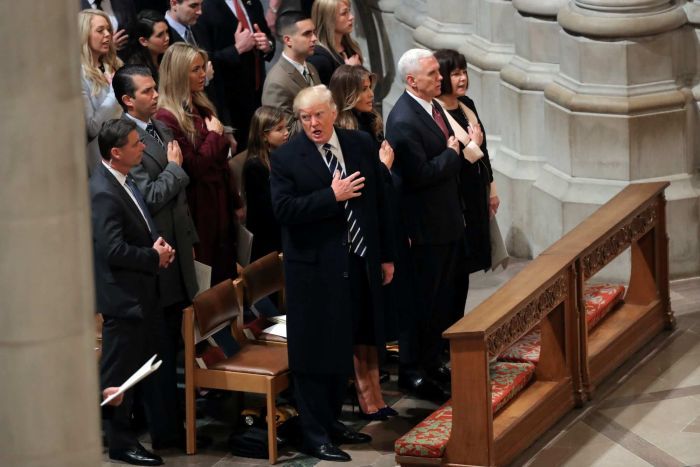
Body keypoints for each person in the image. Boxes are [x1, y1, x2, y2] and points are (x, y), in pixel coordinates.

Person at [270, 85, 394, 461]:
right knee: (314, 352)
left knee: (347, 341)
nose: (312, 124)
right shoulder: (287, 157)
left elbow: (380, 201)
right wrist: (331, 196)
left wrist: (385, 255)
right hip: (313, 272)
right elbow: (284, 210)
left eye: (318, 115)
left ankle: (332, 421)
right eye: (305, 118)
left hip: (356, 262)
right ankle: (314, 434)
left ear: (334, 112)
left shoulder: (358, 144)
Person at [112, 64, 201, 449]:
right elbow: (146, 199)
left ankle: (179, 421)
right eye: (146, 91)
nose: (155, 95)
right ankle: (166, 433)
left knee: (176, 345)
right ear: (127, 99)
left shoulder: (160, 128)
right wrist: (177, 170)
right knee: (160, 351)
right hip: (155, 261)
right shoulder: (123, 137)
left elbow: (177, 200)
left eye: (154, 89)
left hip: (178, 254)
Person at [91, 118, 175, 466]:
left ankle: (134, 433)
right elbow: (112, 250)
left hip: (141, 292)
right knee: (118, 377)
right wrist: (152, 256)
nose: (142, 146)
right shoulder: (103, 191)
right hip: (123, 297)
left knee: (136, 370)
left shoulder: (120, 179)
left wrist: (155, 244)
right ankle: (121, 444)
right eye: (135, 143)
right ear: (115, 152)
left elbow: (137, 224)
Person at [385, 48, 467, 402]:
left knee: (443, 299)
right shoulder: (403, 120)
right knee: (422, 302)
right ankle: (413, 371)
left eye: (439, 72)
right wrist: (451, 153)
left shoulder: (433, 107)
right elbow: (419, 175)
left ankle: (433, 361)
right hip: (423, 228)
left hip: (446, 221)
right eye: (433, 74)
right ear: (411, 81)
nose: (441, 78)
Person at [329, 65, 398, 420]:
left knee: (372, 318)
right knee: (357, 321)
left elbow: (380, 197)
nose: (371, 95)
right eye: (364, 89)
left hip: (369, 239)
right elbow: (364, 189)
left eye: (370, 87)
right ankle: (365, 392)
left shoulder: (367, 128)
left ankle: (376, 390)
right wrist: (384, 168)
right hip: (346, 243)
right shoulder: (343, 135)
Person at [155, 43, 243, 288]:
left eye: (203, 68)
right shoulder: (166, 117)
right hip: (199, 207)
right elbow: (192, 168)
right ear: (179, 73)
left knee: (228, 268)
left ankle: (233, 324)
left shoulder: (201, 103)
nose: (203, 74)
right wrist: (215, 136)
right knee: (210, 277)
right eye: (196, 69)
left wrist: (235, 201)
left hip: (219, 199)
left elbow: (219, 162)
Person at [434, 48, 500, 283]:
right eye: (455, 74)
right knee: (460, 266)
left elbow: (484, 149)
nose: (462, 78)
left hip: (477, 189)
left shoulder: (466, 104)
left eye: (464, 72)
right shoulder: (435, 113)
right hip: (457, 196)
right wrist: (473, 146)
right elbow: (451, 158)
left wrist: (491, 189)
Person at [194, 0, 275, 150]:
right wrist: (236, 49)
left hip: (258, 92)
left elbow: (268, 36)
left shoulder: (252, 3)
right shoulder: (204, 9)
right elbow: (206, 60)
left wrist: (268, 44)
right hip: (230, 101)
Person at [79, 9, 124, 175]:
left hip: (130, 147)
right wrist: (115, 94)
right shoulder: (78, 74)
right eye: (100, 30)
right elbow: (91, 127)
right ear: (84, 34)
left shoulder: (115, 64)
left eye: (109, 30)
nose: (107, 35)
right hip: (103, 160)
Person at [261, 10, 320, 134]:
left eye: (314, 32)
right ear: (288, 40)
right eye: (307, 34)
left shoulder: (311, 67)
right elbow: (284, 132)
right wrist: (323, 115)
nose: (314, 38)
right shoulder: (276, 83)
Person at [243, 106, 289, 262]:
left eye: (286, 127)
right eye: (279, 129)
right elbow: (266, 212)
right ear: (264, 136)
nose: (286, 132)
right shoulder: (254, 167)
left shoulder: (280, 155)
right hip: (268, 242)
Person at [307, 0, 361, 85]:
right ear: (328, 19)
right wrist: (350, 72)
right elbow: (322, 95)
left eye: (349, 11)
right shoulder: (318, 59)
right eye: (344, 13)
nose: (351, 17)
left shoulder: (351, 46)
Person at [123, 10, 170, 84]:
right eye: (160, 35)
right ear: (143, 41)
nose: (167, 38)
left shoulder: (168, 58)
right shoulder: (136, 71)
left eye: (167, 31)